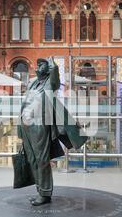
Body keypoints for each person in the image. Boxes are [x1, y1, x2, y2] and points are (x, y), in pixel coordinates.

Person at [18, 57, 88, 206]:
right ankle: (39, 190)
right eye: (37, 65)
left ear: (47, 69)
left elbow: (55, 74)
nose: (37, 67)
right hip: (27, 127)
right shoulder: (32, 84)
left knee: (41, 160)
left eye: (41, 65)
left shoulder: (50, 83)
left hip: (40, 126)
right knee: (32, 160)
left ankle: (45, 193)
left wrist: (52, 64)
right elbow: (24, 105)